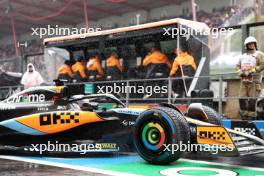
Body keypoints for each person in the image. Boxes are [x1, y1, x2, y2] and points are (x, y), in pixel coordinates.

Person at [237, 36, 264, 119]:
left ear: (255, 44)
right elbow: (237, 66)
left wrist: (254, 69)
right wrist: (240, 72)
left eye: (252, 43)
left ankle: (251, 117)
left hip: (255, 81)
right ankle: (244, 116)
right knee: (241, 98)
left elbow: (263, 64)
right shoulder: (242, 56)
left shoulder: (259, 54)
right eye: (249, 44)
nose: (251, 45)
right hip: (244, 80)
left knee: (252, 100)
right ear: (246, 45)